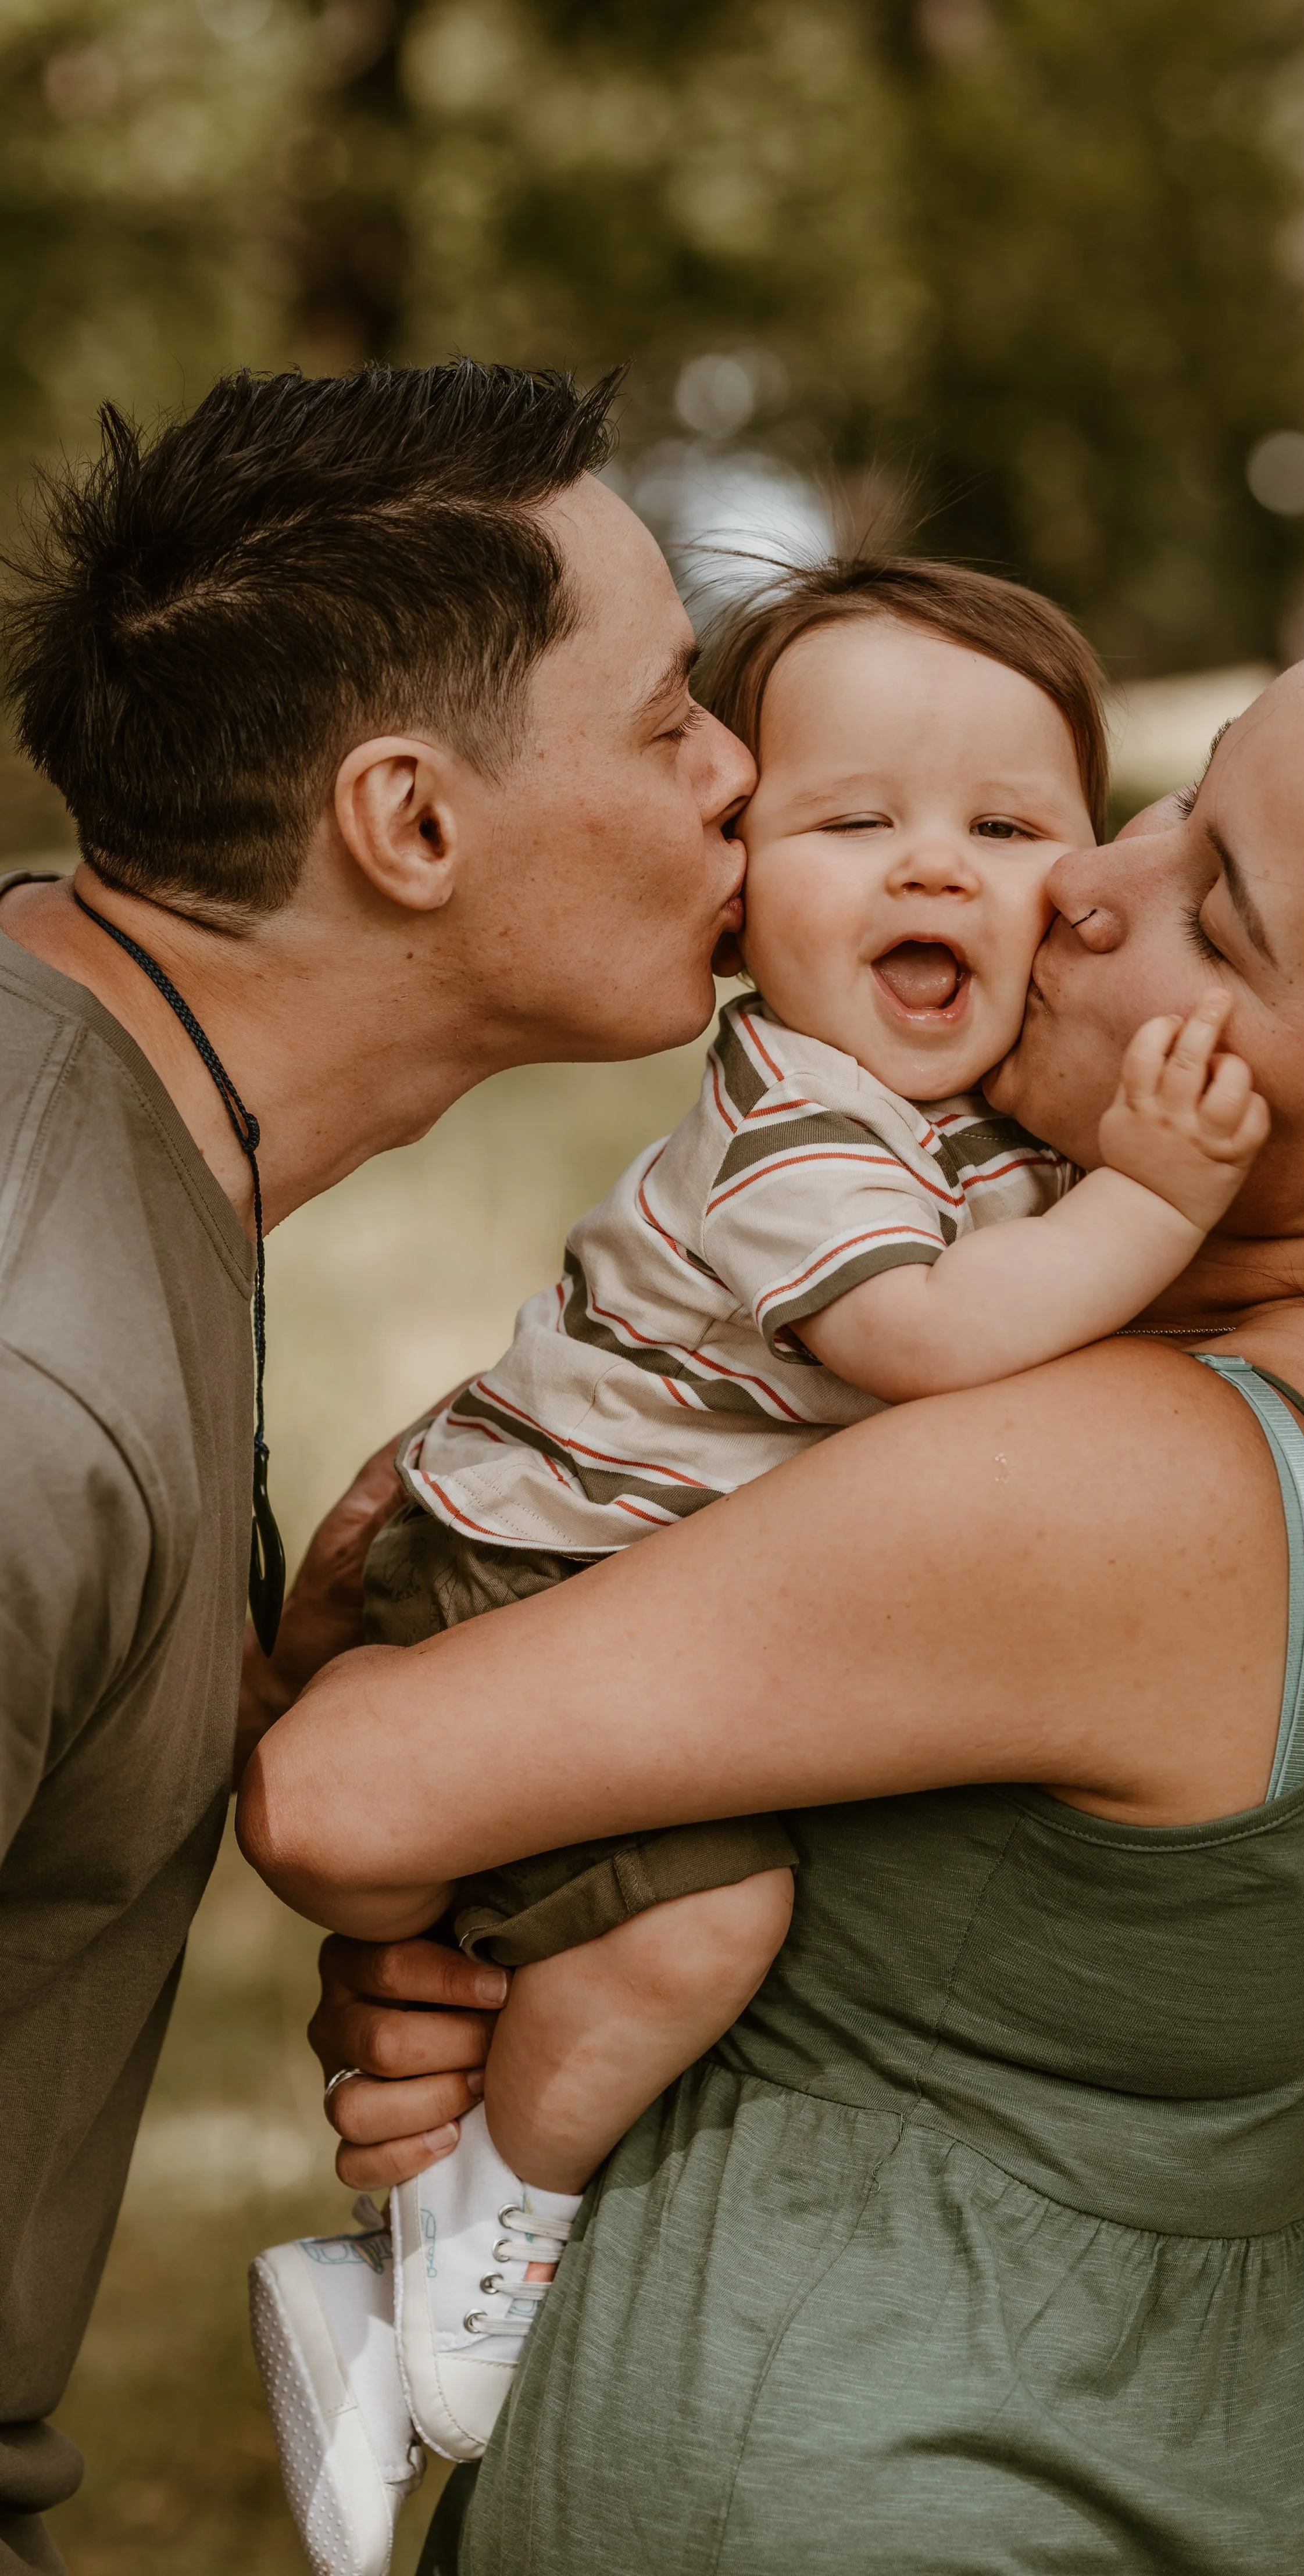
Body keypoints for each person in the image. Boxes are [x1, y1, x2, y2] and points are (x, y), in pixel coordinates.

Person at [245, 602, 1304, 2574]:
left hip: (878, 2485)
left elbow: (338, 1790)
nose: (1076, 888)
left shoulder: (1131, 1481)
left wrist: (442, 1906)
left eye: (1214, 917)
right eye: (1164, 804)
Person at [0, 356, 756, 2576]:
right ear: (409, 823)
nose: (745, 780)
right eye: (669, 721)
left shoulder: (111, 1092)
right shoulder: (26, 1370)